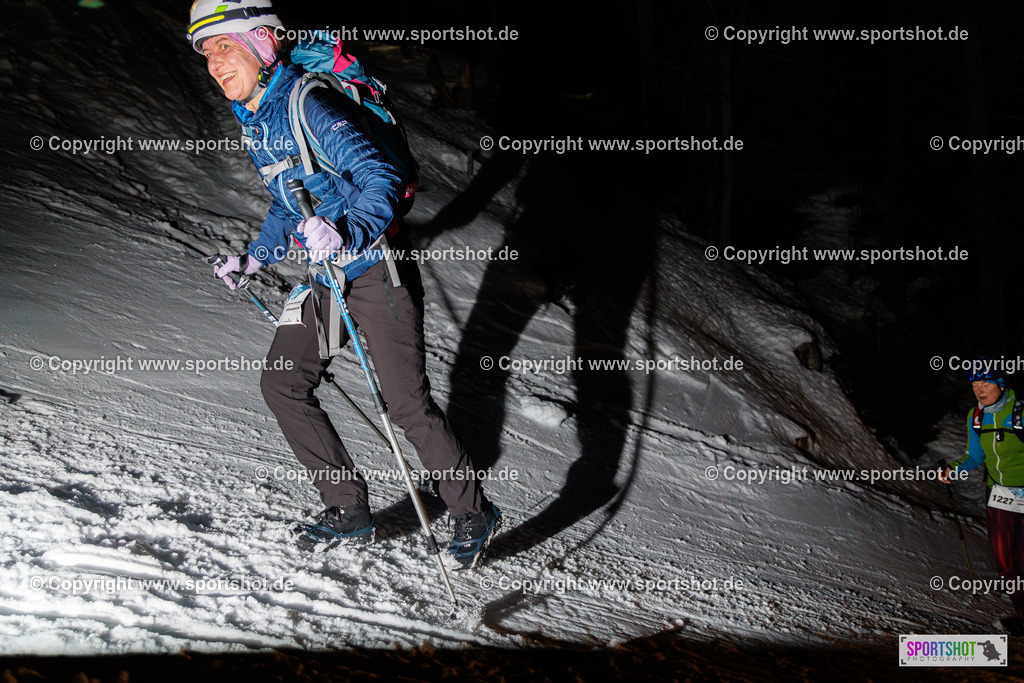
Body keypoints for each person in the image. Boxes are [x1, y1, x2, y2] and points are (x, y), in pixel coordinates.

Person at [186, 0, 499, 567]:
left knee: (406, 405)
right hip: (328, 280)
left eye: (224, 46)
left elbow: (382, 176)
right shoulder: (258, 116)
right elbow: (292, 206)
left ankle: (473, 511)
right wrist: (254, 260)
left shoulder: (312, 102)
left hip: (377, 268)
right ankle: (349, 512)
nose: (214, 64)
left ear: (261, 41)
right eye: (206, 54)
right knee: (284, 382)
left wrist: (346, 228)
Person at [941, 365, 1024, 632]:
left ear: (1001, 383)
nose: (980, 391)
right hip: (999, 494)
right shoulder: (975, 417)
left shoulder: (1020, 411)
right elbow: (974, 456)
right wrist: (953, 469)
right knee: (1005, 560)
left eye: (985, 384)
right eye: (975, 386)